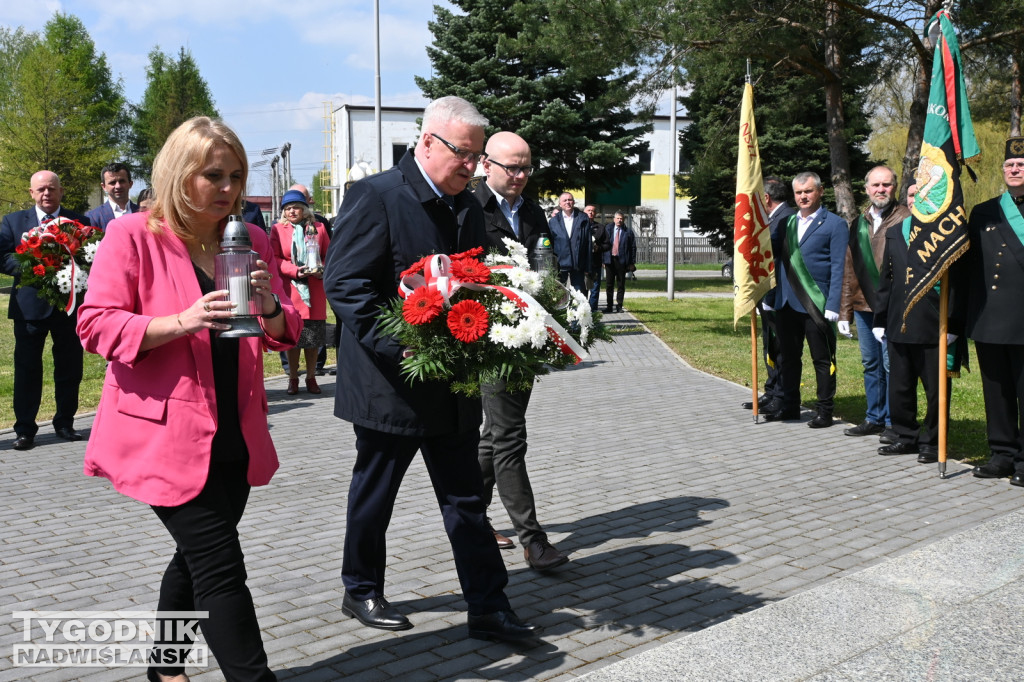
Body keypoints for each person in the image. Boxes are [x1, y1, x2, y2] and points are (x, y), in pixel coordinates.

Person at [76, 116, 301, 681]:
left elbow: (284, 328)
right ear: (180, 175)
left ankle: (164, 666)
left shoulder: (248, 238)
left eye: (235, 175)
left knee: (196, 558)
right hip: (163, 434)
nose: (227, 188)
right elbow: (97, 325)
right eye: (212, 175)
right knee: (221, 566)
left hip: (234, 428)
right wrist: (181, 321)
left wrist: (271, 303)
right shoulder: (134, 234)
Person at [323, 96, 538, 641]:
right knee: (376, 496)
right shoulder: (375, 196)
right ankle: (362, 588)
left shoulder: (466, 206)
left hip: (452, 385)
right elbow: (345, 286)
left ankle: (489, 605)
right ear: (426, 142)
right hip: (388, 385)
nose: (470, 166)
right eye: (462, 154)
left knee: (466, 501)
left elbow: (476, 280)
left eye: (475, 157)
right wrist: (408, 349)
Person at [473, 131, 569, 571]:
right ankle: (533, 540)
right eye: (512, 167)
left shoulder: (531, 209)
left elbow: (545, 263)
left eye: (526, 167)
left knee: (496, 436)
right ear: (486, 164)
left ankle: (470, 516)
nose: (520, 175)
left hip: (525, 336)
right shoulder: (470, 205)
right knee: (510, 436)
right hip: (487, 338)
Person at [0, 171, 91, 451]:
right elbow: (3, 257)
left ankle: (65, 423)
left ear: (61, 191)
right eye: (41, 189)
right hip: (29, 309)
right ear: (31, 193)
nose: (46, 194)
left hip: (68, 308)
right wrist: (36, 265)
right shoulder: (13, 222)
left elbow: (89, 257)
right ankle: (25, 430)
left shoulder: (80, 222)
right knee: (27, 370)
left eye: (52, 188)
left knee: (69, 367)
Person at [872, 196, 963, 463]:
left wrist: (955, 322)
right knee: (900, 386)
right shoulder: (895, 231)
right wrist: (880, 319)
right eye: (912, 195)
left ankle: (934, 442)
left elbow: (959, 281)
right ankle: (904, 436)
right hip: (899, 322)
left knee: (936, 390)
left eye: (922, 194)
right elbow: (886, 278)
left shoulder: (947, 231)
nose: (917, 199)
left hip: (935, 325)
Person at [764, 171, 848, 428]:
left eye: (808, 191)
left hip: (816, 303)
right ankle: (789, 406)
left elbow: (839, 267)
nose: (803, 197)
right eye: (799, 193)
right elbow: (770, 255)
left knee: (822, 360)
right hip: (786, 302)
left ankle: (824, 410)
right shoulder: (785, 223)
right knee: (789, 358)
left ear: (820, 192)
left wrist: (834, 304)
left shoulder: (834, 224)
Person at [965, 137, 1024, 486]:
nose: (1014, 169)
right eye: (1009, 166)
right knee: (997, 392)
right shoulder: (984, 211)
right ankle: (1002, 454)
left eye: (1021, 165)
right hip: (989, 318)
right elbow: (970, 266)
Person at [839, 166, 909, 439]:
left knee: (892, 365)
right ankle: (874, 417)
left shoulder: (906, 218)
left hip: (892, 307)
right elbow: (849, 269)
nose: (881, 190)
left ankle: (894, 422)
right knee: (871, 364)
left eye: (887, 184)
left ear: (894, 186)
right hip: (863, 307)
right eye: (876, 185)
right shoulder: (858, 222)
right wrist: (845, 312)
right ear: (866, 189)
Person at [744, 177, 795, 411]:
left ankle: (781, 394)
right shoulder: (771, 219)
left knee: (780, 346)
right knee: (769, 344)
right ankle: (772, 389)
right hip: (767, 292)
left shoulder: (786, 218)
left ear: (766, 198)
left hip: (780, 292)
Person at [271, 189, 329, 396]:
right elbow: (275, 258)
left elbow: (327, 254)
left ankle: (311, 378)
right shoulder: (278, 229)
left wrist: (321, 269)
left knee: (312, 339)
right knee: (293, 339)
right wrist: (295, 271)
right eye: (287, 208)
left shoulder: (319, 227)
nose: (292, 211)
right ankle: (293, 378)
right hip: (291, 290)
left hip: (314, 289)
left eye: (295, 207)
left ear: (304, 209)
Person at [548, 191, 592, 293]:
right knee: (559, 294)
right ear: (560, 204)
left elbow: (588, 243)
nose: (568, 202)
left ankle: (578, 309)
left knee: (578, 294)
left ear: (574, 202)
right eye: (565, 200)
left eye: (570, 200)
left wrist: (588, 266)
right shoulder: (553, 222)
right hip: (560, 264)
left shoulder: (583, 218)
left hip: (578, 264)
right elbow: (550, 244)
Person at [85, 162, 138, 230]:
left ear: (130, 184)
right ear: (103, 186)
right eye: (112, 182)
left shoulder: (144, 213)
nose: (118, 186)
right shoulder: (93, 217)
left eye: (122, 181)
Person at [603, 212, 637, 313]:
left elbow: (633, 248)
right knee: (609, 285)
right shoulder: (608, 229)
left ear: (624, 220)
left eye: (621, 218)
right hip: (609, 260)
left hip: (622, 261)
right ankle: (609, 306)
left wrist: (632, 262)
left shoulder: (628, 232)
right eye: (617, 218)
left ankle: (619, 306)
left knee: (621, 284)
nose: (619, 220)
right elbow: (603, 245)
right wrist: (603, 260)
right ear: (614, 219)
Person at [583, 204, 609, 311]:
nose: (590, 212)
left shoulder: (601, 228)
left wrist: (600, 248)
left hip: (595, 263)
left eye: (593, 211)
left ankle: (592, 311)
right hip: (582, 264)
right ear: (584, 212)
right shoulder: (578, 226)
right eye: (588, 210)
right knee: (582, 290)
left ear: (595, 214)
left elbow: (608, 244)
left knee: (595, 289)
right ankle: (582, 311)